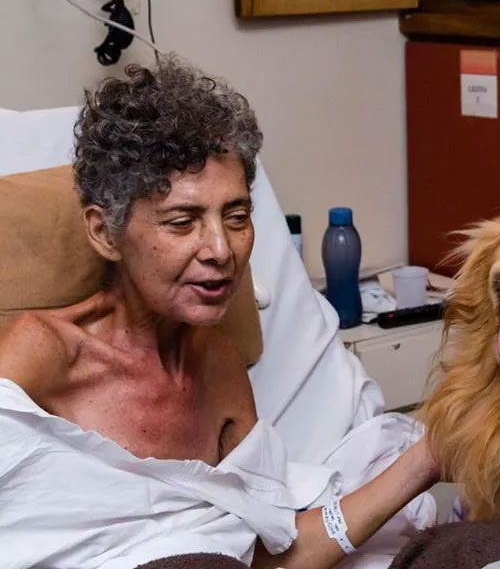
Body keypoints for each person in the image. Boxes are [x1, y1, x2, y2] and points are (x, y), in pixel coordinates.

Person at [0, 58, 439, 569]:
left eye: (237, 217)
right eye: (183, 221)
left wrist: (430, 459)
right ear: (105, 232)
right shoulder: (48, 353)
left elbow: (275, 551)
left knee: (480, 546)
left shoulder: (219, 368)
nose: (221, 249)